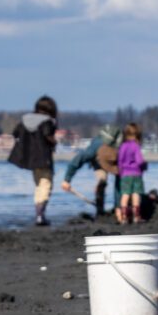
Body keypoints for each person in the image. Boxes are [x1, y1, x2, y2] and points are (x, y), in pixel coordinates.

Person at [8, 96, 58, 226]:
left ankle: (39, 214)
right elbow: (47, 135)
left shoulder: (25, 120)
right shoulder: (48, 121)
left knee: (38, 185)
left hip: (31, 160)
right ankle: (40, 215)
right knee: (46, 184)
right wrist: (54, 141)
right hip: (44, 158)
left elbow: (15, 133)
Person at [61, 124, 121, 215]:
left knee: (121, 179)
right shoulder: (93, 149)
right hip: (98, 161)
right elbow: (77, 161)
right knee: (102, 181)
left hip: (115, 158)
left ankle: (119, 207)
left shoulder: (120, 148)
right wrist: (67, 180)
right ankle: (100, 209)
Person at [117, 122, 146, 224]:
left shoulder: (123, 146)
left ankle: (124, 217)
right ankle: (136, 216)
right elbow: (140, 161)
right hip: (136, 173)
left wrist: (121, 172)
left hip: (125, 174)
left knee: (125, 195)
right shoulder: (136, 146)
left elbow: (120, 160)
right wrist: (143, 167)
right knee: (135, 194)